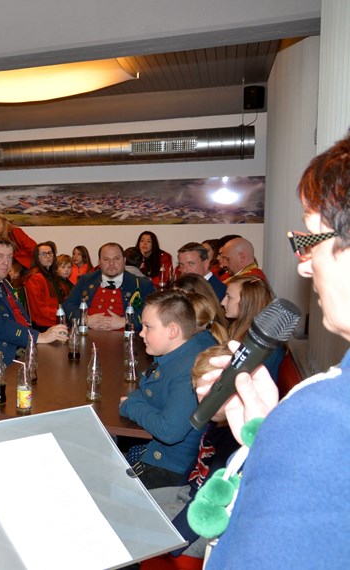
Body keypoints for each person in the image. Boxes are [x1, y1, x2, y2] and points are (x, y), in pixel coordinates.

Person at [202, 131, 350, 568]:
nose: (303, 264)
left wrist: (288, 436)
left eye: (310, 239)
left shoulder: (325, 418)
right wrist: (265, 434)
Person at [147, 344, 240, 560]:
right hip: (190, 494)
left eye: (213, 390)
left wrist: (175, 541)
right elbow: (199, 465)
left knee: (136, 526)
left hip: (205, 526)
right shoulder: (215, 422)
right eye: (199, 391)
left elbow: (209, 501)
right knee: (133, 503)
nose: (204, 399)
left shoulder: (233, 440)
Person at [119, 290, 216, 489]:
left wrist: (130, 405)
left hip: (171, 471)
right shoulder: (184, 350)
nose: (141, 333)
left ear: (172, 331)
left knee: (102, 484)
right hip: (165, 457)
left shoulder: (191, 370)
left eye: (148, 327)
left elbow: (169, 431)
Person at [0, 238, 66, 364]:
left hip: (21, 345)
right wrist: (38, 336)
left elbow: (21, 316)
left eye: (9, 257)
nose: (6, 263)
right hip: (2, 356)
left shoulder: (4, 282)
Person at [62, 242, 156, 332]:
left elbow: (155, 312)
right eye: (106, 259)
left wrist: (126, 321)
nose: (111, 263)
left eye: (116, 258)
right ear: (99, 262)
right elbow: (67, 306)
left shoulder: (141, 284)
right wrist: (85, 319)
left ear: (124, 261)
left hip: (126, 340)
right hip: (86, 337)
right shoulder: (86, 280)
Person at [221, 275, 283, 379]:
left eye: (229, 297)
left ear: (247, 302)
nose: (222, 302)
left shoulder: (263, 346)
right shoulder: (238, 327)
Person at [23, 241, 71, 329]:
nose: (48, 256)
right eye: (44, 254)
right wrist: (63, 314)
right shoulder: (35, 277)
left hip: (57, 318)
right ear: (37, 258)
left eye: (50, 253)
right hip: (44, 323)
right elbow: (39, 309)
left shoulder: (51, 275)